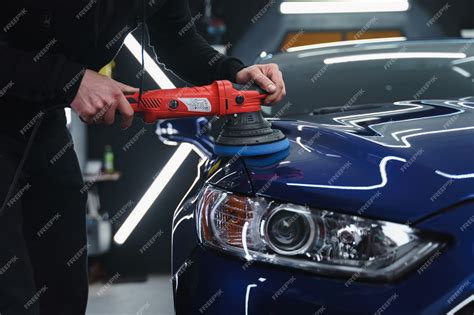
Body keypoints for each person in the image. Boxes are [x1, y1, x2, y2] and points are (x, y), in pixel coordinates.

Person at [0, 1, 286, 314]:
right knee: (12, 291)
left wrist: (232, 72)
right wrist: (70, 80)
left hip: (42, 122)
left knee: (61, 279)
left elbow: (178, 41)